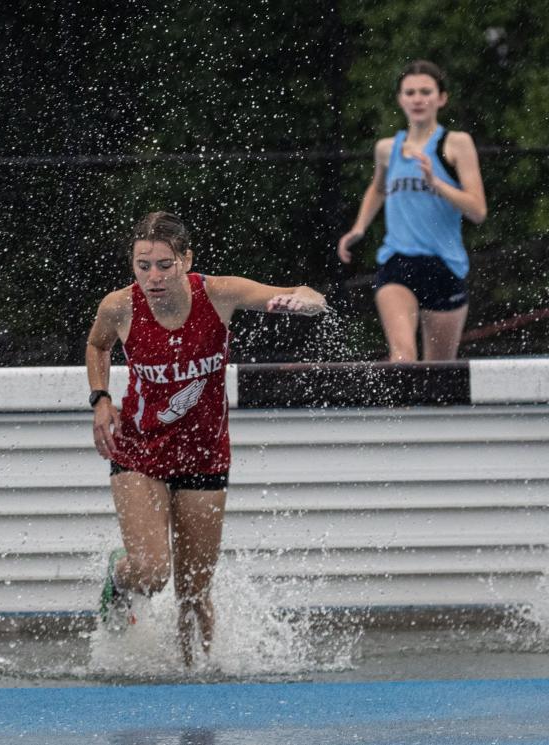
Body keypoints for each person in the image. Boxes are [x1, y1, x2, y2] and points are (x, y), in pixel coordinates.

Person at [86, 211, 327, 666]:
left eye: (163, 265)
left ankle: (200, 675)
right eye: (143, 265)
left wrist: (302, 303)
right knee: (153, 572)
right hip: (139, 448)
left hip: (204, 453)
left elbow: (305, 294)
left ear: (186, 260)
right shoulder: (119, 306)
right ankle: (119, 579)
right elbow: (98, 345)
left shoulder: (218, 294)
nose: (153, 277)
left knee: (194, 591)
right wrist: (100, 398)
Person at [337, 59, 487, 361]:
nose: (418, 99)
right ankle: (397, 407)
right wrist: (359, 227)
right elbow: (378, 188)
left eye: (425, 91)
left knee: (438, 374)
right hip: (398, 262)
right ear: (400, 99)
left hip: (444, 266)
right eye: (410, 92)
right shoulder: (386, 148)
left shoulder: (456, 144)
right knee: (403, 359)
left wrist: (437, 183)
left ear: (441, 98)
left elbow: (477, 211)